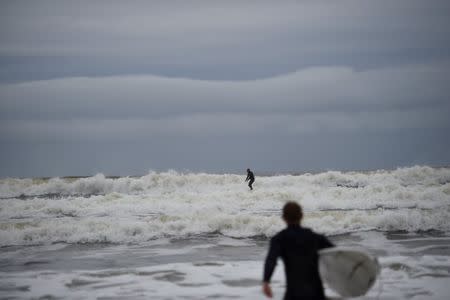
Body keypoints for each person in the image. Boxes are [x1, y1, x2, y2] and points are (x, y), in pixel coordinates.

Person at [262, 202, 334, 300]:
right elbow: (336, 254)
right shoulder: (315, 237)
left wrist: (266, 281)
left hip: (294, 293)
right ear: (301, 216)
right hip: (316, 293)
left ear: (283, 218)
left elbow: (271, 260)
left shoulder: (279, 239)